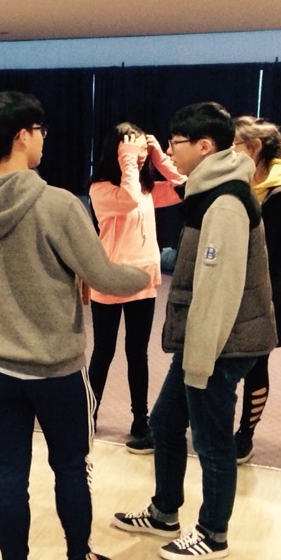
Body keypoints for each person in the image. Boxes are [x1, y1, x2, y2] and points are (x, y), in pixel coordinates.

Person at [0, 91, 150, 560]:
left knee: (9, 475)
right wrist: (146, 274)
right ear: (22, 135)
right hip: (57, 370)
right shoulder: (57, 204)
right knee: (70, 466)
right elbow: (104, 276)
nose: (44, 140)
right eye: (40, 131)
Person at [113, 102, 277, 560]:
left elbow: (217, 292)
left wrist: (200, 362)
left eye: (175, 143)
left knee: (211, 439)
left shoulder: (225, 202)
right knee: (165, 423)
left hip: (219, 345)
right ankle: (165, 511)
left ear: (205, 146)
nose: (170, 152)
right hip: (203, 342)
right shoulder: (210, 190)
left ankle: (212, 533)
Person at [88, 123, 184, 452]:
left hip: (143, 278)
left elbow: (186, 187)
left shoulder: (146, 188)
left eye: (142, 149)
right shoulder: (101, 188)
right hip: (110, 277)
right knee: (103, 352)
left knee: (137, 353)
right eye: (132, 148)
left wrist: (158, 157)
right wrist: (129, 158)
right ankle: (89, 413)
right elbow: (127, 199)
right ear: (116, 151)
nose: (138, 155)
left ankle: (140, 420)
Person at [231, 115, 281, 463]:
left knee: (255, 365)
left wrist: (271, 295)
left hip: (264, 298)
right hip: (226, 291)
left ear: (254, 147)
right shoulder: (231, 181)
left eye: (234, 144)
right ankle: (212, 426)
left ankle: (245, 435)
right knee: (216, 366)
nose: (228, 151)